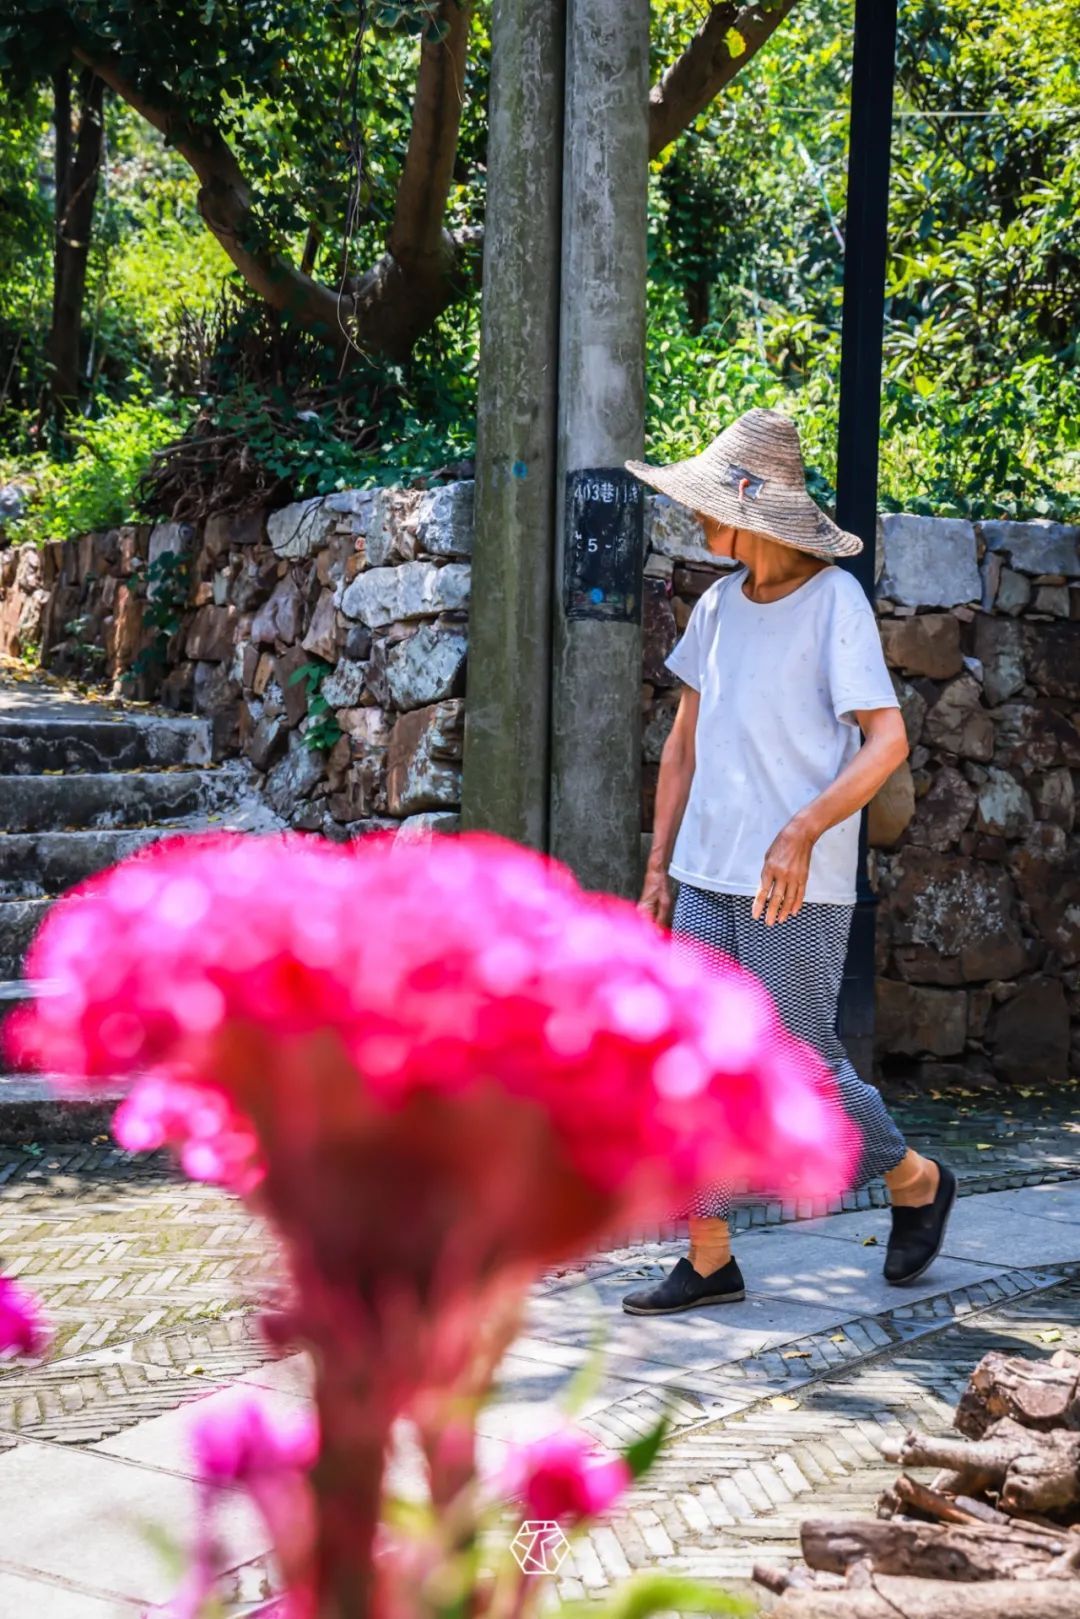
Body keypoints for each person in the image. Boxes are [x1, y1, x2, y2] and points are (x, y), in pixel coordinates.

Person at [621, 408, 955, 1317]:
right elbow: (683, 742)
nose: (696, 522)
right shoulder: (716, 606)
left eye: (706, 504)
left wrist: (804, 829)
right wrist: (659, 862)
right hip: (705, 873)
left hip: (791, 884)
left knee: (801, 1059)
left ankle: (915, 1177)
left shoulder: (834, 603)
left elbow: (886, 743)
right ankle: (709, 1255)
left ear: (750, 507)